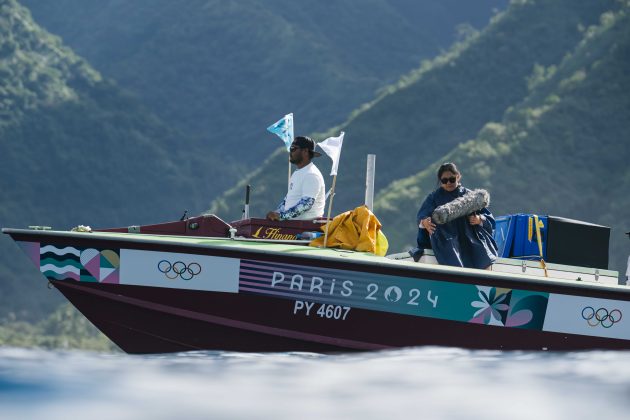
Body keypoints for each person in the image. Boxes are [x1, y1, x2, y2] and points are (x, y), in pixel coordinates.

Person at [416, 162, 498, 269]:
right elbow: (422, 216)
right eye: (444, 180)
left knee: (483, 260)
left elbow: (489, 219)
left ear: (458, 176)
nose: (448, 183)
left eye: (452, 179)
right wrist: (425, 223)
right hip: (447, 242)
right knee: (453, 265)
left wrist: (479, 219)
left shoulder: (471, 197)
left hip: (471, 241)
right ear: (440, 181)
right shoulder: (433, 198)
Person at [266, 136, 326, 221]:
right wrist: (276, 213)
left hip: (305, 229)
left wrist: (281, 216)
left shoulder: (311, 175)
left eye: (293, 148)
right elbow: (287, 201)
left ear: (305, 151)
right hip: (293, 226)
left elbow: (306, 204)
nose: (290, 152)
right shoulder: (297, 173)